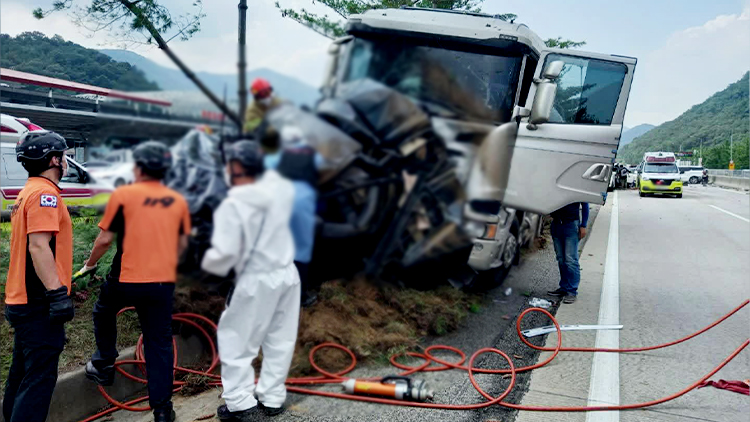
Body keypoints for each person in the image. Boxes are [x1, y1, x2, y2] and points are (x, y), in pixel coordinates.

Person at [79, 141, 191, 422]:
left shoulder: (125, 195)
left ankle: (104, 363)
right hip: (161, 284)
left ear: (138, 167)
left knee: (104, 310)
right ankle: (163, 411)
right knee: (159, 344)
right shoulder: (177, 199)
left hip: (125, 279)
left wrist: (89, 264)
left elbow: (105, 239)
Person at [202, 140, 300, 421]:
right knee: (279, 338)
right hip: (287, 273)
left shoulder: (236, 202)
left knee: (236, 339)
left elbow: (224, 254)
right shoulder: (281, 190)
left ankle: (240, 404)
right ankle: (272, 397)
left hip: (256, 277)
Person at [3, 131, 75, 422]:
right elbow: (38, 245)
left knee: (21, 374)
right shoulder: (45, 194)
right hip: (38, 304)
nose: (67, 160)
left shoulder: (27, 192)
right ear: (55, 159)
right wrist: (57, 294)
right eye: (64, 155)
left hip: (22, 300)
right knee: (38, 382)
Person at [261, 126, 323, 307]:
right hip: (303, 202)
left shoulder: (277, 155)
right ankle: (300, 296)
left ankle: (271, 291)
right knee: (302, 249)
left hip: (280, 200)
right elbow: (326, 171)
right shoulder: (313, 154)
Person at [547, 202, 589, 304]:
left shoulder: (577, 186)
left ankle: (572, 291)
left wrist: (583, 225)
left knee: (570, 259)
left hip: (571, 224)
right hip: (556, 224)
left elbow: (585, 204)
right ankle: (564, 287)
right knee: (561, 259)